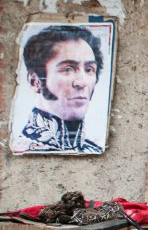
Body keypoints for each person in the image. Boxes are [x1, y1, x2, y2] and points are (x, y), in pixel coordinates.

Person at [12, 25, 104, 154]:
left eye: (89, 69)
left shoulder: (96, 150)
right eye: (67, 69)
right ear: (35, 81)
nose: (82, 82)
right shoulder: (17, 151)